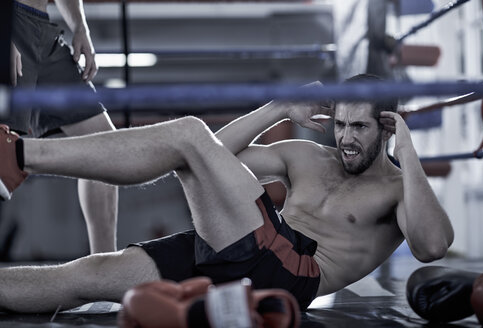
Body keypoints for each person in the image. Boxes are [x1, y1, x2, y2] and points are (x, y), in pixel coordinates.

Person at [0, 74, 454, 313]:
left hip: (292, 274)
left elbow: (432, 245)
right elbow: (216, 155)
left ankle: (17, 155)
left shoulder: (397, 188)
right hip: (243, 247)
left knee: (189, 133)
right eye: (340, 124)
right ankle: (16, 159)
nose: (345, 137)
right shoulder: (307, 157)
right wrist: (278, 107)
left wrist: (408, 148)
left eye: (359, 126)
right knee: (88, 276)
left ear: (387, 126)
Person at [5, 0, 118, 253]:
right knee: (5, 156)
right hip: (11, 21)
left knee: (104, 145)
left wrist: (80, 26)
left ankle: (106, 269)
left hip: (44, 32)